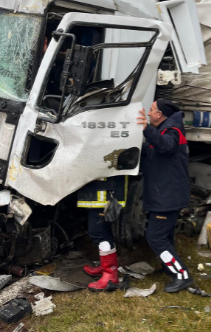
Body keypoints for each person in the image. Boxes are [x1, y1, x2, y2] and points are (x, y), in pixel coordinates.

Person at [137, 99, 194, 293]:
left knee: (156, 237)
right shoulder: (164, 130)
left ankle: (182, 275)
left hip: (167, 196)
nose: (149, 113)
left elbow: (166, 147)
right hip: (163, 193)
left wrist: (145, 129)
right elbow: (155, 152)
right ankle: (168, 268)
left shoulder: (173, 131)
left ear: (160, 114)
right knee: (165, 236)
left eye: (151, 110)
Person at [78, 176, 127, 291]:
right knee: (102, 232)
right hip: (99, 192)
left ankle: (110, 275)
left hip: (103, 193)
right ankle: (106, 267)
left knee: (99, 233)